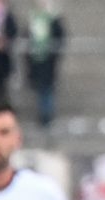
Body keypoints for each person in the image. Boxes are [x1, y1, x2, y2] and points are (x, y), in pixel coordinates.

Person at [24, 0, 65, 129]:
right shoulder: (34, 18)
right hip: (36, 60)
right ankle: (43, 115)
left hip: (48, 60)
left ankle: (47, 116)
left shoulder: (54, 19)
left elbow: (60, 36)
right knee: (40, 88)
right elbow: (27, 36)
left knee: (47, 89)